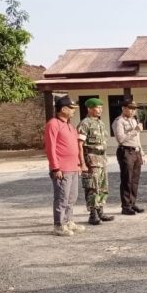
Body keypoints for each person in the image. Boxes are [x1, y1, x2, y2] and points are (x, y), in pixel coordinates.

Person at [44, 97, 85, 236]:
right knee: (62, 198)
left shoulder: (70, 125)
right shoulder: (53, 124)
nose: (74, 111)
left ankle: (68, 221)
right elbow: (50, 148)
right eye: (72, 108)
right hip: (62, 169)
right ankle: (59, 225)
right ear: (63, 109)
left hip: (73, 167)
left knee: (72, 197)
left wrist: (79, 163)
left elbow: (74, 146)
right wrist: (55, 168)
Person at [77, 98, 114, 226]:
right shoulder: (85, 124)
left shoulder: (101, 123)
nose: (100, 110)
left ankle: (100, 211)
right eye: (98, 107)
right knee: (92, 187)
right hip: (91, 160)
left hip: (102, 160)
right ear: (90, 108)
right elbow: (79, 145)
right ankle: (92, 214)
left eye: (101, 107)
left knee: (103, 187)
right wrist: (82, 162)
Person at [113, 100, 146, 216]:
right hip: (126, 151)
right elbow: (120, 139)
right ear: (123, 108)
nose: (132, 111)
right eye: (130, 108)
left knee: (135, 180)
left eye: (134, 108)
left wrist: (141, 151)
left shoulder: (133, 120)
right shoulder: (119, 121)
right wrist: (135, 130)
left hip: (135, 151)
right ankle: (126, 206)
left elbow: (137, 138)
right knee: (127, 179)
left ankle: (132, 203)